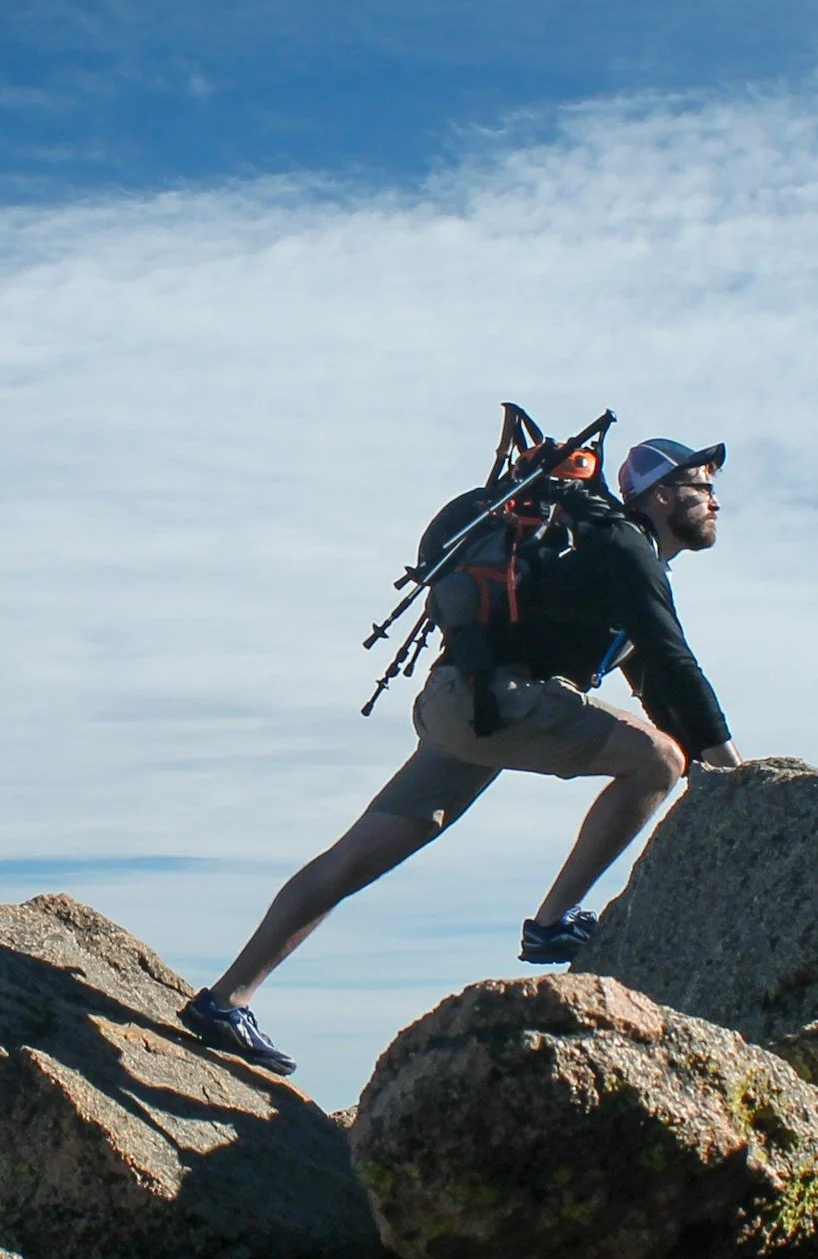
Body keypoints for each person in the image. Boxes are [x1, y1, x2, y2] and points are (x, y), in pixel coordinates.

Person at [179, 436, 745, 1074]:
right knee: (656, 761)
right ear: (662, 494)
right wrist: (736, 776)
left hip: (462, 703)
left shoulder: (610, 553)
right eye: (704, 488)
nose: (717, 501)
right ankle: (553, 922)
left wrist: (714, 768)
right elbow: (675, 662)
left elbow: (659, 684)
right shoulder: (623, 548)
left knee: (353, 858)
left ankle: (227, 999)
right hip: (491, 701)